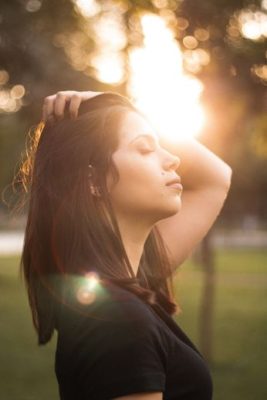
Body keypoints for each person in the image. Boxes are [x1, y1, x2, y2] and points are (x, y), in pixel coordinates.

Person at [20, 90, 232, 400]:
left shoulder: (131, 280)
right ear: (93, 180)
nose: (173, 159)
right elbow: (216, 179)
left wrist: (112, 101)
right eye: (145, 149)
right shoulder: (117, 318)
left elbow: (217, 177)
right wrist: (114, 106)